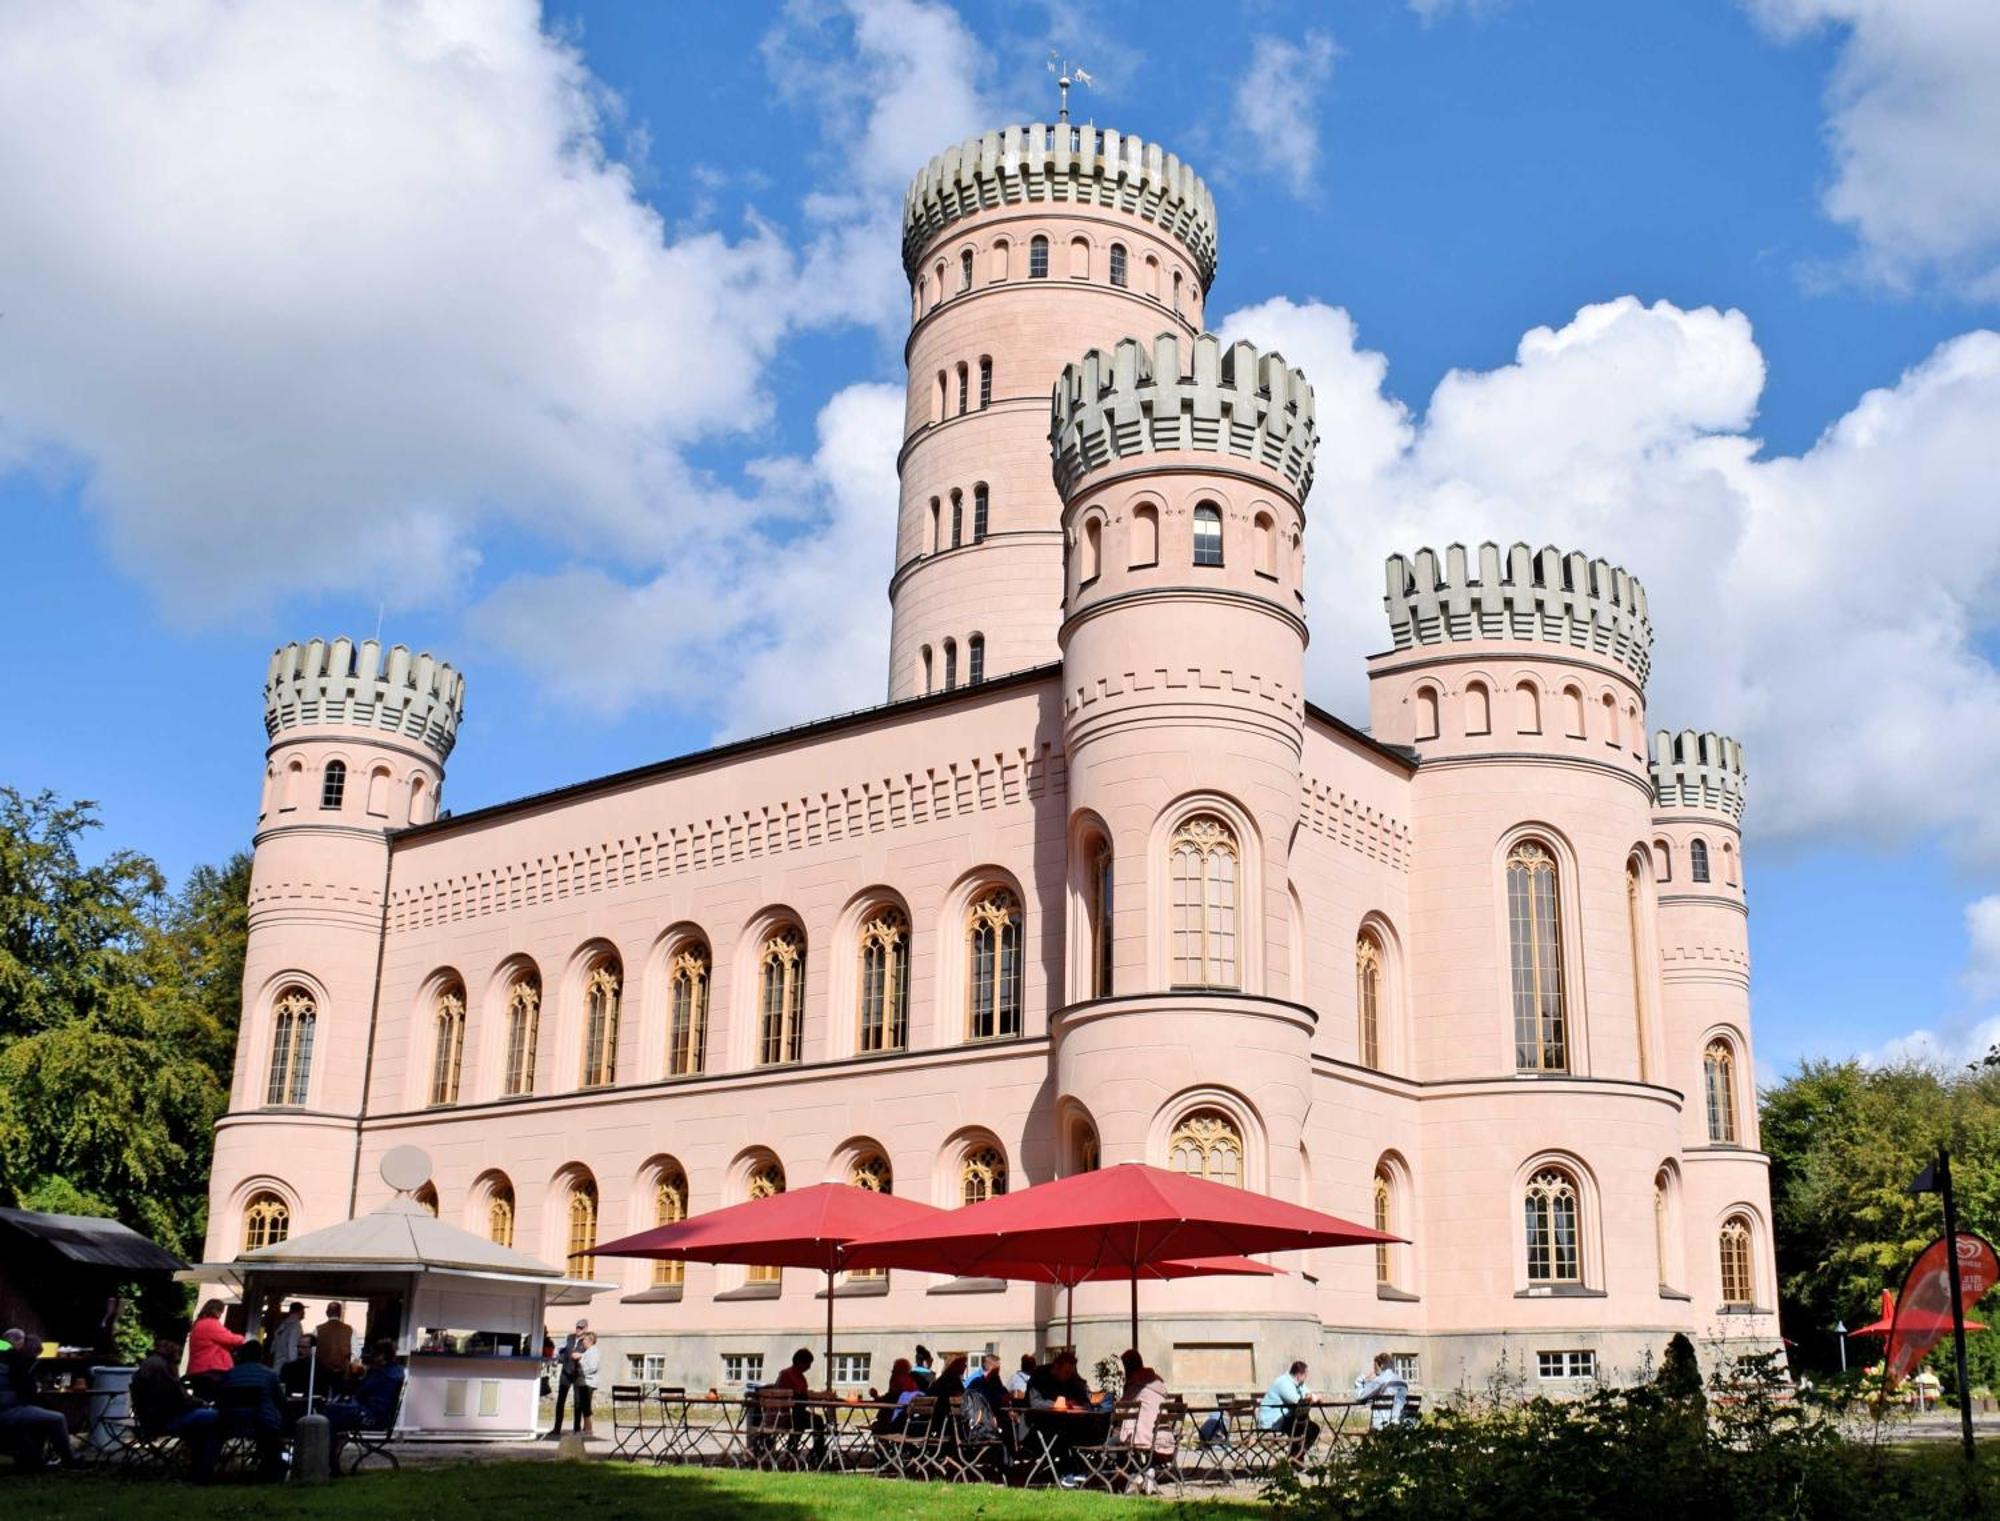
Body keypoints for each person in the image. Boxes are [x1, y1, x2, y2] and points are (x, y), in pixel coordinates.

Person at [131, 1338, 221, 1483]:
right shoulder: (161, 1367)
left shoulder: (151, 1363)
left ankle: (196, 1462)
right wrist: (202, 1403)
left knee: (204, 1422)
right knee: (216, 1418)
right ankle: (203, 1470)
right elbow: (178, 1399)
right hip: (164, 1419)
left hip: (153, 1417)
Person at [0, 1329, 77, 1472]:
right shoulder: (13, 1357)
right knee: (57, 1418)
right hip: (8, 1409)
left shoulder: (6, 1353)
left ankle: (36, 1459)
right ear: (19, 1342)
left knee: (39, 1415)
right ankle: (69, 1460)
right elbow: (26, 1388)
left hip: (9, 1407)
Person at [324, 1341, 406, 1469]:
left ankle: (331, 1457)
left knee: (329, 1413)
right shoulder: (394, 1372)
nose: (371, 1358)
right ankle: (338, 1444)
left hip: (371, 1416)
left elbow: (360, 1393)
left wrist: (361, 1375)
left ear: (382, 1356)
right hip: (381, 1416)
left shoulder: (380, 1374)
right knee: (336, 1412)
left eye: (374, 1355)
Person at [1027, 1349, 1103, 1487]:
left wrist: (1079, 1404)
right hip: (1039, 1426)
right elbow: (1035, 1403)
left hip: (1067, 1423)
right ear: (1056, 1367)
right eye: (1067, 1372)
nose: (1069, 1376)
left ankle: (1079, 1468)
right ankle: (1067, 1471)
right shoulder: (1039, 1377)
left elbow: (1084, 1400)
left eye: (1071, 1373)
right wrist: (1056, 1405)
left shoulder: (1071, 1380)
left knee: (1088, 1426)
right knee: (1063, 1432)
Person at [217, 1340, 286, 1480]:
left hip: (230, 1421)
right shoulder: (269, 1375)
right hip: (262, 1422)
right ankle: (273, 1466)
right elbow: (280, 1401)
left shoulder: (230, 1374)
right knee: (276, 1423)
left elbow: (220, 1399)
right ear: (261, 1356)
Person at [1116, 1350, 1177, 1495]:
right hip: (1163, 1436)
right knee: (1123, 1437)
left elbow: (1121, 1410)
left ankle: (1133, 1476)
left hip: (1145, 1437)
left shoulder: (1136, 1384)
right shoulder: (1157, 1383)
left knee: (1116, 1441)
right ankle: (1146, 1471)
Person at [772, 1348, 827, 1463]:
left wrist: (812, 1395)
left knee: (812, 1419)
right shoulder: (787, 1375)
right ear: (800, 1362)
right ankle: (818, 1453)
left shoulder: (799, 1377)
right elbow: (793, 1395)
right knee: (816, 1421)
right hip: (784, 1414)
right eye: (808, 1364)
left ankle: (794, 1448)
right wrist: (808, 1396)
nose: (809, 1367)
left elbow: (803, 1394)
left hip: (796, 1413)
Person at [187, 1299, 244, 1403]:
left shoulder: (199, 1324)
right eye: (221, 1311)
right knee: (216, 1402)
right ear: (215, 1310)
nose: (221, 1315)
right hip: (210, 1371)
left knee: (201, 1401)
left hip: (198, 1371)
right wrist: (244, 1339)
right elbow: (231, 1339)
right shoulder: (211, 1324)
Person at [1258, 1360, 1317, 1457]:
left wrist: (1311, 1397)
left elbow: (1308, 1394)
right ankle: (1295, 1458)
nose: (1306, 1378)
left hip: (1285, 1418)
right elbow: (1297, 1401)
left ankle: (1296, 1457)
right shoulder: (1283, 1383)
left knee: (1311, 1428)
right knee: (1304, 1428)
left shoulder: (1298, 1383)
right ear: (1299, 1375)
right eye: (1305, 1375)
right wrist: (1311, 1398)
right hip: (1273, 1421)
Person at [545, 1317, 588, 1438]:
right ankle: (557, 1428)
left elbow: (589, 1354)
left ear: (585, 1328)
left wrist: (581, 1355)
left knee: (578, 1402)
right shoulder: (569, 1337)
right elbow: (559, 1349)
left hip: (578, 1373)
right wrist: (555, 1357)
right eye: (577, 1327)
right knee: (560, 1401)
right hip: (566, 1372)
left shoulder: (586, 1340)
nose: (578, 1329)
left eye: (581, 1327)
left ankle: (576, 1429)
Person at [1353, 1351, 1409, 1429]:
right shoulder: (1403, 1382)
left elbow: (1359, 1396)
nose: (1374, 1370)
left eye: (1375, 1367)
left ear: (1381, 1365)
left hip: (1381, 1424)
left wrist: (1360, 1380)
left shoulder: (1379, 1381)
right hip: (1401, 1425)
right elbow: (1399, 1401)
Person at [313, 1302, 355, 1395]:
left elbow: (312, 1350)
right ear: (340, 1313)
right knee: (338, 1397)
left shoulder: (318, 1329)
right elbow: (356, 1352)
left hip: (322, 1371)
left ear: (327, 1313)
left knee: (321, 1396)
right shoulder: (349, 1329)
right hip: (342, 1371)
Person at [571, 1330, 601, 1436]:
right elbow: (584, 1358)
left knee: (585, 1406)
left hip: (588, 1382)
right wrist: (581, 1356)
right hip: (585, 1382)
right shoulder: (588, 1351)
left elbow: (592, 1367)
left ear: (590, 1341)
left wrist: (581, 1363)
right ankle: (587, 1428)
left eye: (584, 1340)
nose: (583, 1342)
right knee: (584, 1405)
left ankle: (588, 1429)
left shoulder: (593, 1351)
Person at [268, 1302, 307, 1380]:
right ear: (299, 1311)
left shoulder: (283, 1324)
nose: (304, 1314)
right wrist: (294, 1364)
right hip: (287, 1365)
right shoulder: (296, 1325)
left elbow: (273, 1347)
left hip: (277, 1364)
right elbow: (292, 1345)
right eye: (303, 1312)